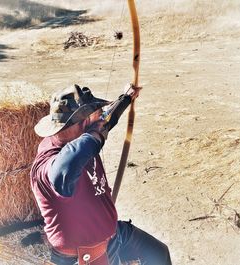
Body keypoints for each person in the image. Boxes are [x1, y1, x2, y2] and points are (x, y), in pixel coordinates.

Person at [30, 84, 172, 265]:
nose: (101, 114)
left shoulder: (82, 134)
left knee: (158, 255)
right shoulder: (47, 163)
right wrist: (95, 133)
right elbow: (63, 172)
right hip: (83, 256)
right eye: (96, 113)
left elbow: (105, 121)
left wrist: (125, 98)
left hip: (114, 236)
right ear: (85, 121)